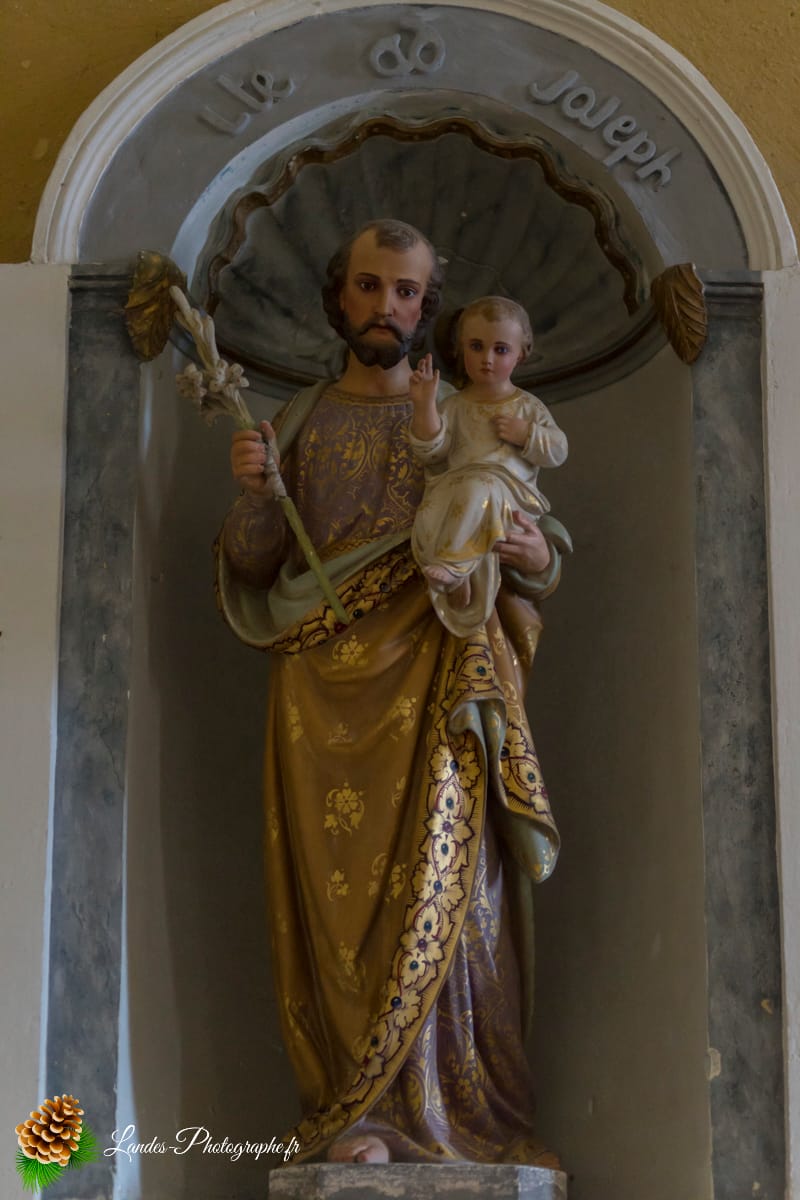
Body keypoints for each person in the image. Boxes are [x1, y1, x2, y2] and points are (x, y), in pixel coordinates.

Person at [216, 219, 570, 1166]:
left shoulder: (467, 411)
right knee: (338, 908)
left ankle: (469, 1116)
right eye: (369, 287)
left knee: (458, 896)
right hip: (319, 694)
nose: (387, 307)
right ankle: (354, 1111)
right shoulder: (294, 421)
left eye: (407, 292)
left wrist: (534, 559)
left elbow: (522, 530)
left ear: (430, 309)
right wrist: (255, 494)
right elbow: (257, 565)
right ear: (340, 297)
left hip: (442, 665)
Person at [409, 296, 568, 637]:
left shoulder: (526, 407)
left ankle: (455, 567)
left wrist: (527, 434)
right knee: (437, 506)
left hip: (507, 495)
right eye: (477, 347)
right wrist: (424, 407)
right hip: (458, 489)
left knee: (480, 489)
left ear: (521, 354)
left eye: (500, 350)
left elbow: (558, 449)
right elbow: (431, 452)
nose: (486, 360)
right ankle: (461, 582)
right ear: (459, 349)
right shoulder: (453, 405)